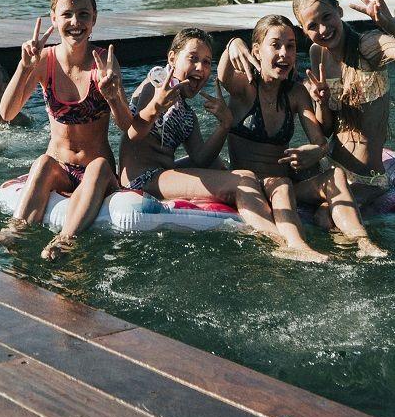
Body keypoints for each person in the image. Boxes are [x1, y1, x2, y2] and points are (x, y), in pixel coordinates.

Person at [118, 28, 328, 261]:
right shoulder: (154, 86)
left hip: (164, 173)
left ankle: (268, 211)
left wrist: (225, 124)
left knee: (229, 169)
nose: (200, 68)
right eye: (193, 58)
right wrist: (155, 107)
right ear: (172, 58)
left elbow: (201, 158)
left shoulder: (187, 114)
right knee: (241, 180)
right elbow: (132, 133)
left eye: (207, 62)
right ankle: (280, 242)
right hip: (143, 177)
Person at [290, 0, 395, 255]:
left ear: (339, 11)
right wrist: (322, 102)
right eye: (312, 26)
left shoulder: (370, 46)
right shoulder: (317, 53)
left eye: (327, 17)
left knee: (325, 216)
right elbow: (326, 129)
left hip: (366, 180)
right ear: (304, 30)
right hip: (330, 167)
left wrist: (391, 25)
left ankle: (352, 266)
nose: (323, 29)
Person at [0, 0, 132, 259]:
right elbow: (6, 113)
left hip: (96, 172)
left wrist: (113, 96)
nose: (76, 22)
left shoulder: (104, 62)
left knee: (100, 165)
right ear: (54, 18)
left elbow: (127, 126)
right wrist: (24, 67)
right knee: (42, 162)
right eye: (67, 14)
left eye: (83, 14)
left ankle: (66, 240)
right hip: (60, 169)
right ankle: (13, 231)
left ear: (94, 18)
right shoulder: (45, 60)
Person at [214, 15, 348, 258]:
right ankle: (298, 247)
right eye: (275, 45)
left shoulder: (296, 93)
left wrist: (316, 151)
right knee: (282, 184)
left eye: (290, 46)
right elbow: (224, 75)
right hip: (251, 185)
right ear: (257, 51)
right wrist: (232, 44)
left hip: (285, 181)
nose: (284, 53)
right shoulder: (245, 87)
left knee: (334, 175)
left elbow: (320, 141)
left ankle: (360, 239)